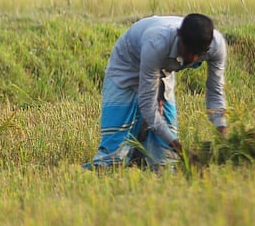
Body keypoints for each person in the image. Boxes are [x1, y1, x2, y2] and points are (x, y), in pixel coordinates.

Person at [86, 13, 227, 169]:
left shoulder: (216, 45)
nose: (193, 59)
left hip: (162, 70)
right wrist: (180, 149)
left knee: (165, 164)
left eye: (198, 54)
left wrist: (222, 133)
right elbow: (148, 105)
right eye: (189, 51)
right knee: (112, 161)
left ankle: (140, 155)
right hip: (126, 69)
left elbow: (215, 91)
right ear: (179, 36)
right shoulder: (156, 43)